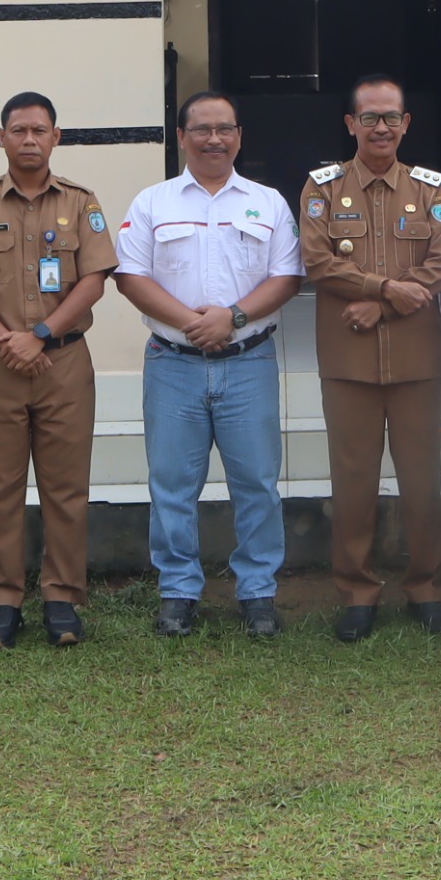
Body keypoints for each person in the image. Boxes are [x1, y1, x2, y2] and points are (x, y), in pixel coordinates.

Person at [114, 91, 304, 638]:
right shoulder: (154, 202)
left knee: (257, 483)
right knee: (172, 484)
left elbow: (287, 277)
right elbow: (131, 276)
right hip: (173, 364)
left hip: (249, 363)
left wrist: (234, 318)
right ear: (181, 136)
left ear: (240, 136)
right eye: (202, 128)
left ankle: (259, 593)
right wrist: (194, 323)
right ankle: (178, 591)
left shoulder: (268, 202)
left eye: (225, 128)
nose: (214, 138)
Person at [0, 91, 116, 651]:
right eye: (18, 131)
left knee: (66, 488)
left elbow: (94, 278)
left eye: (40, 130)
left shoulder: (82, 203)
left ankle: (62, 599)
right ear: (2, 139)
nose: (29, 140)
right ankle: (2, 602)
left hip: (63, 359)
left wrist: (38, 335)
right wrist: (4, 340)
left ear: (56, 137)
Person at [298, 75, 441, 642]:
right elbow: (317, 262)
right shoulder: (320, 189)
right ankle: (357, 593)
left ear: (406, 124)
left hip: (417, 361)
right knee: (353, 482)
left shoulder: (431, 190)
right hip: (348, 361)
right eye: (369, 117)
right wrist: (385, 290)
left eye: (391, 117)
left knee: (423, 481)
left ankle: (427, 589)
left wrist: (381, 307)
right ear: (351, 124)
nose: (381, 127)